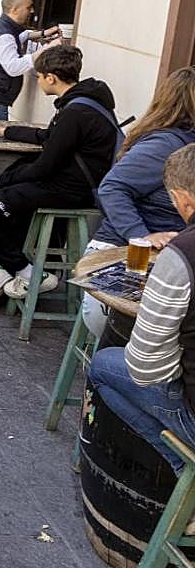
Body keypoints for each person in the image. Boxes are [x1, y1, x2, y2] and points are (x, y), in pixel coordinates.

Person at [0, 45, 120, 308]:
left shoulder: (75, 112)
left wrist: (3, 180)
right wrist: (5, 131)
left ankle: (29, 272)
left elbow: (43, 167)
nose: (36, 80)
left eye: (38, 76)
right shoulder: (82, 103)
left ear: (51, 78)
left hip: (68, 191)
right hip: (63, 182)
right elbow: (47, 138)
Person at [86, 145, 195, 473]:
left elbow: (146, 369)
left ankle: (182, 469)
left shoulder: (182, 255)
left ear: (182, 199)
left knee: (103, 366)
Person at [81, 68, 195, 336]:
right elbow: (112, 187)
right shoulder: (166, 145)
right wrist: (142, 235)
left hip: (166, 255)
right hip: (127, 252)